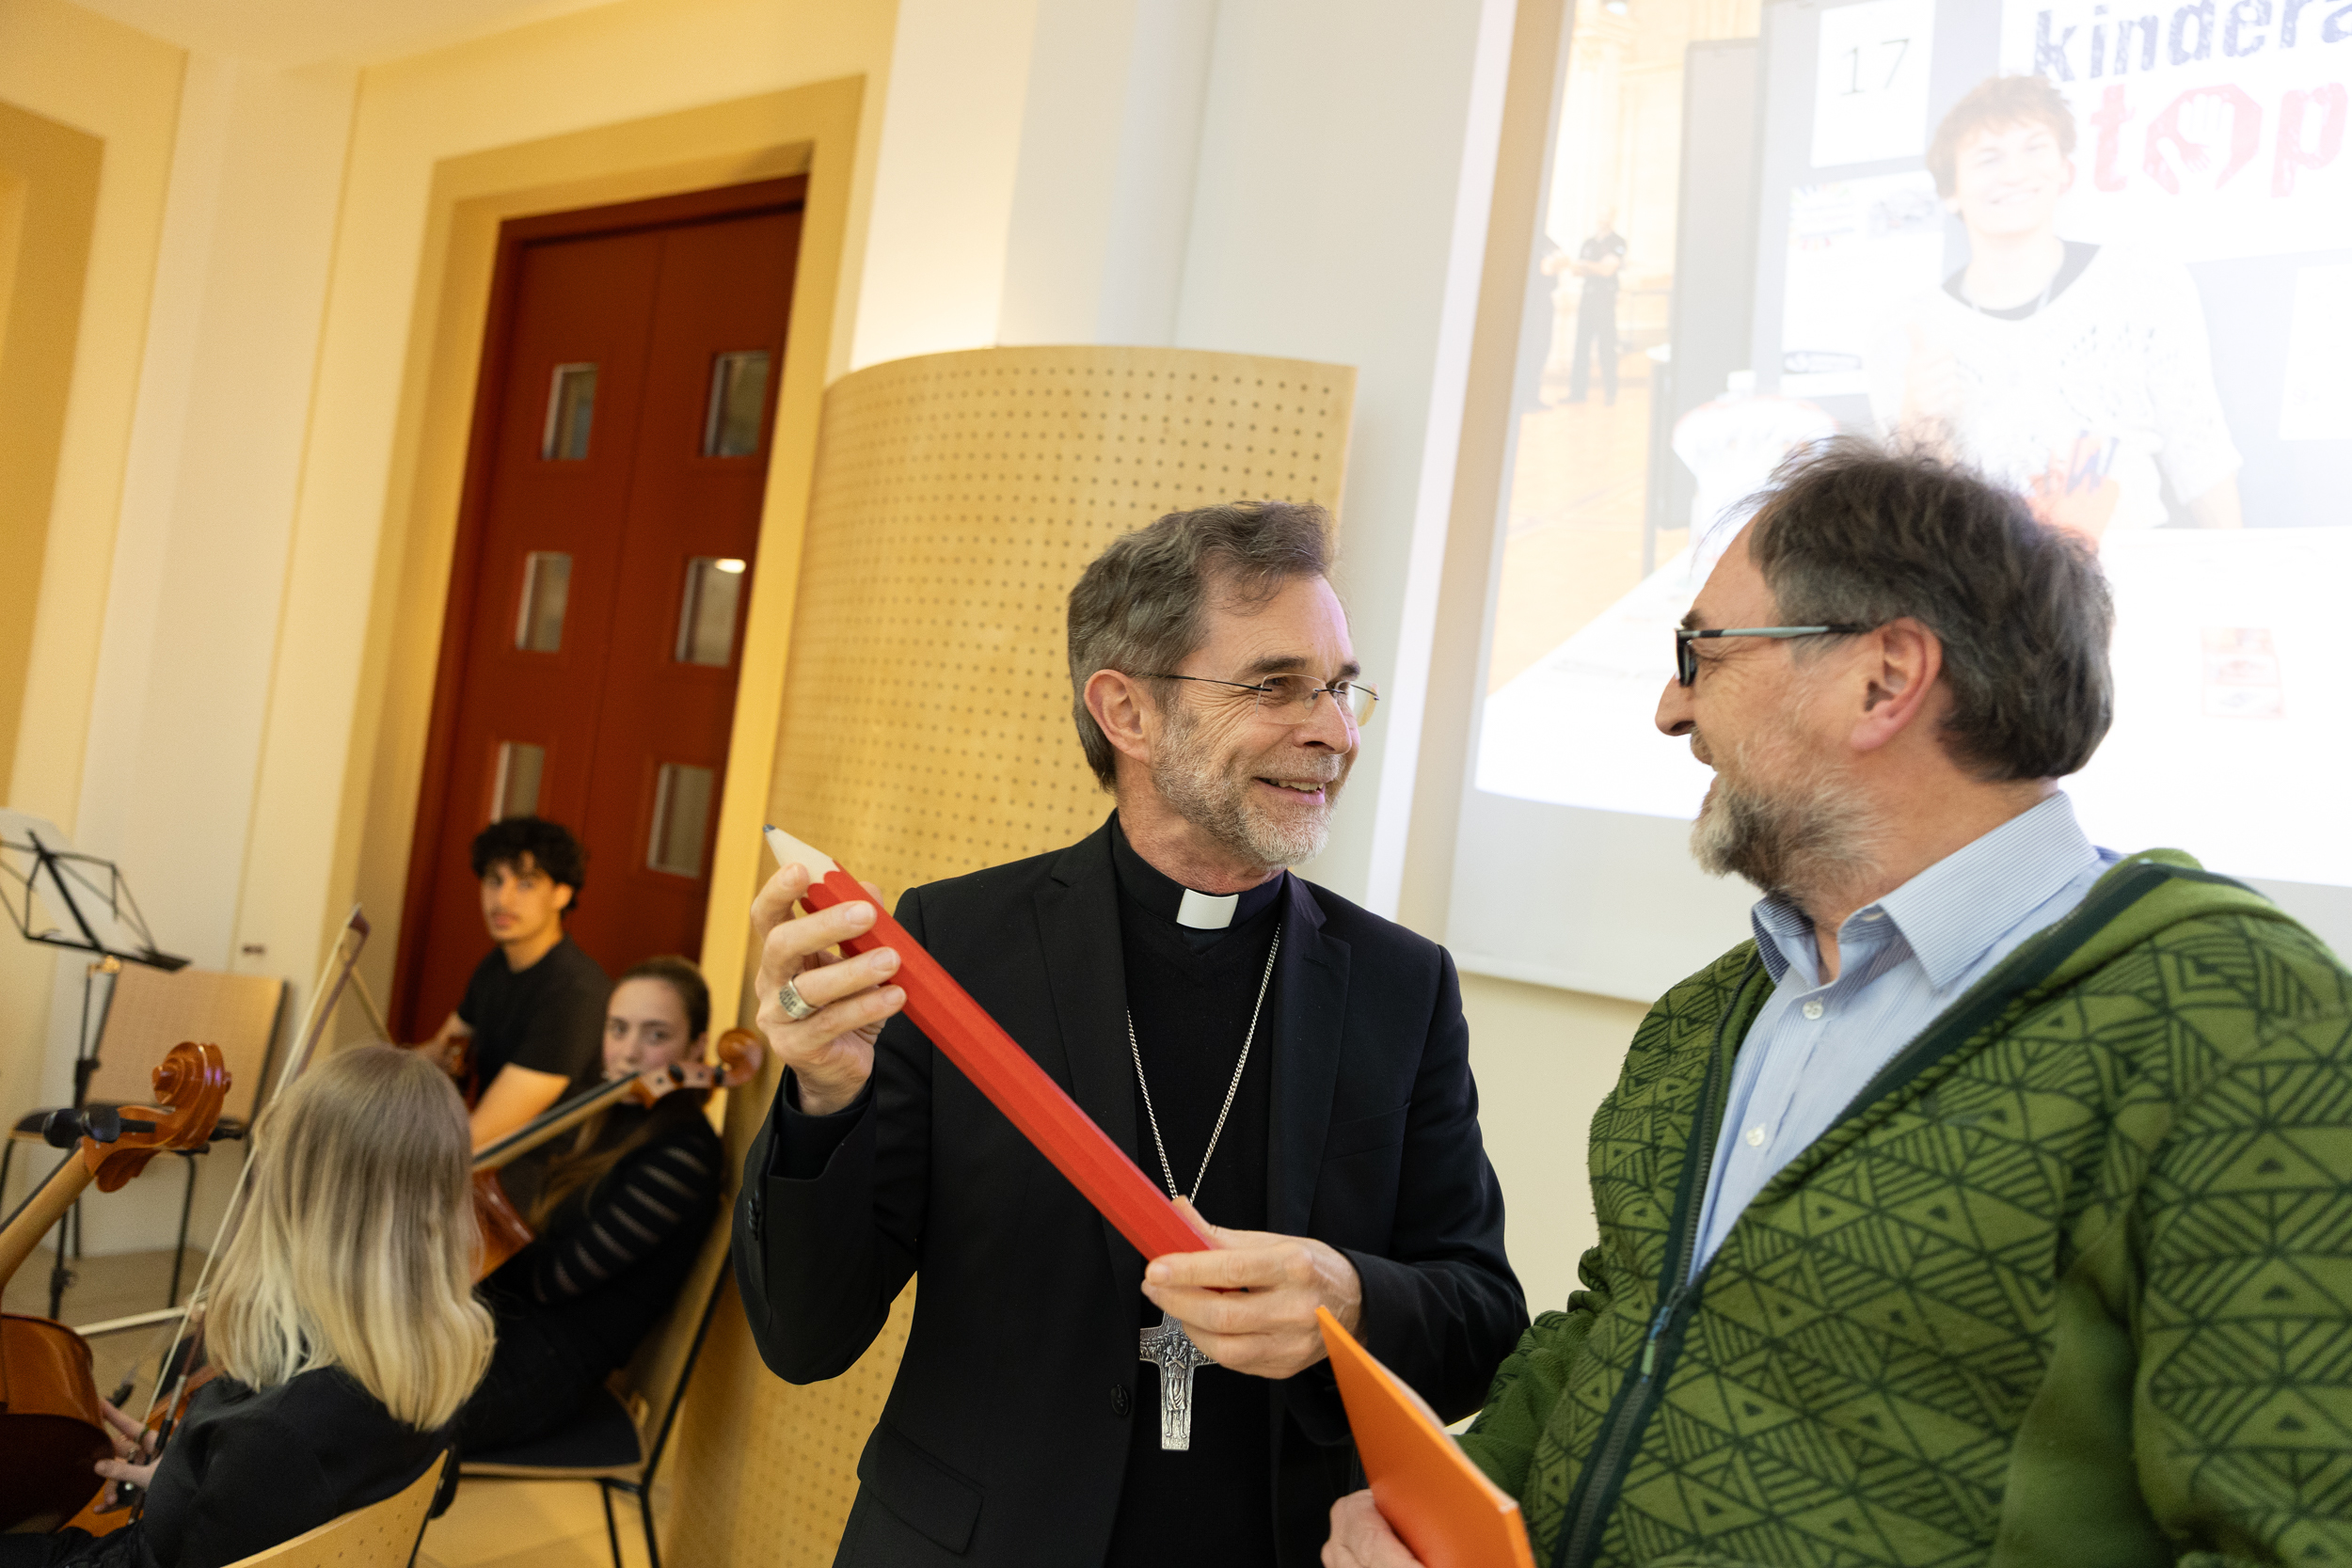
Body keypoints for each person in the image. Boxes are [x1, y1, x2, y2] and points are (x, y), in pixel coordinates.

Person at [1325, 442, 2352, 1566]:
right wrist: (1437, 1511)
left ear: (1884, 677)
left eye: (1702, 652)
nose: (1669, 707)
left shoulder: (2236, 1020)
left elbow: (2294, 1535)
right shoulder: (1707, 1017)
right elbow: (1619, 1325)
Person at [738, 500, 1526, 1567]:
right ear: (1127, 710)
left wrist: (1348, 1296)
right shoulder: (956, 945)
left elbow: (1481, 1319)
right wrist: (825, 1097)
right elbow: (805, 1335)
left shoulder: (1401, 983)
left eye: (1341, 687)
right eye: (1276, 684)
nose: (1336, 731)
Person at [0, 1047, 494, 1568]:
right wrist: (187, 1478)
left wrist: (214, 1477)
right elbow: (435, 1495)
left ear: (295, 1196)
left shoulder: (272, 1430)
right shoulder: (434, 1359)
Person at [1870, 74, 2241, 540]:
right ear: (1950, 192)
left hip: (2133, 573)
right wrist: (1919, 427)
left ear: (2065, 170)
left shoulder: (2144, 285)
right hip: (1985, 577)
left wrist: (2238, 572)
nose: (2014, 173)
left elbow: (2200, 456)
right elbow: (1914, 524)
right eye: (1988, 158)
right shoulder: (1905, 331)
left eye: (2034, 148)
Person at [456, 957, 724, 1455]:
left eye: (655, 1035)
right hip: (505, 1331)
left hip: (542, 1369)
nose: (629, 1052)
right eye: (617, 1029)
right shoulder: (605, 1117)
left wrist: (480, 1237)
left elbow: (555, 1280)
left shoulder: (683, 1154)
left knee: (364, 1399)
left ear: (696, 1048)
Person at [407, 816, 609, 1154]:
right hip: (489, 1156)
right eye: (494, 880)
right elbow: (442, 1050)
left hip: (541, 1170)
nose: (502, 899)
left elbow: (483, 1133)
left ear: (561, 894)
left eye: (525, 884)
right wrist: (370, 1079)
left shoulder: (576, 993)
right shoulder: (495, 966)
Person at [1544, 209, 1626, 405]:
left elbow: (1607, 270)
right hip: (1587, 299)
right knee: (1581, 347)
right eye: (1600, 214)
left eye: (1606, 214)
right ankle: (1577, 393)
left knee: (1607, 348)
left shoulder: (1618, 242)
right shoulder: (1588, 243)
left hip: (1605, 300)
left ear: (1612, 217)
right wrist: (1592, 267)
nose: (1602, 218)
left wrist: (1587, 266)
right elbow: (1576, 271)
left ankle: (1610, 394)